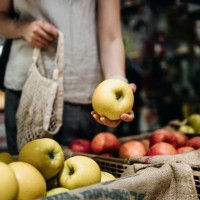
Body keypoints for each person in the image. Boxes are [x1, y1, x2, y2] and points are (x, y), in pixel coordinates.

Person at [0, 0, 136, 155]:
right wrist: (22, 28)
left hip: (82, 95)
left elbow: (111, 37)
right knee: (23, 172)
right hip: (26, 93)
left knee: (88, 176)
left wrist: (118, 81)